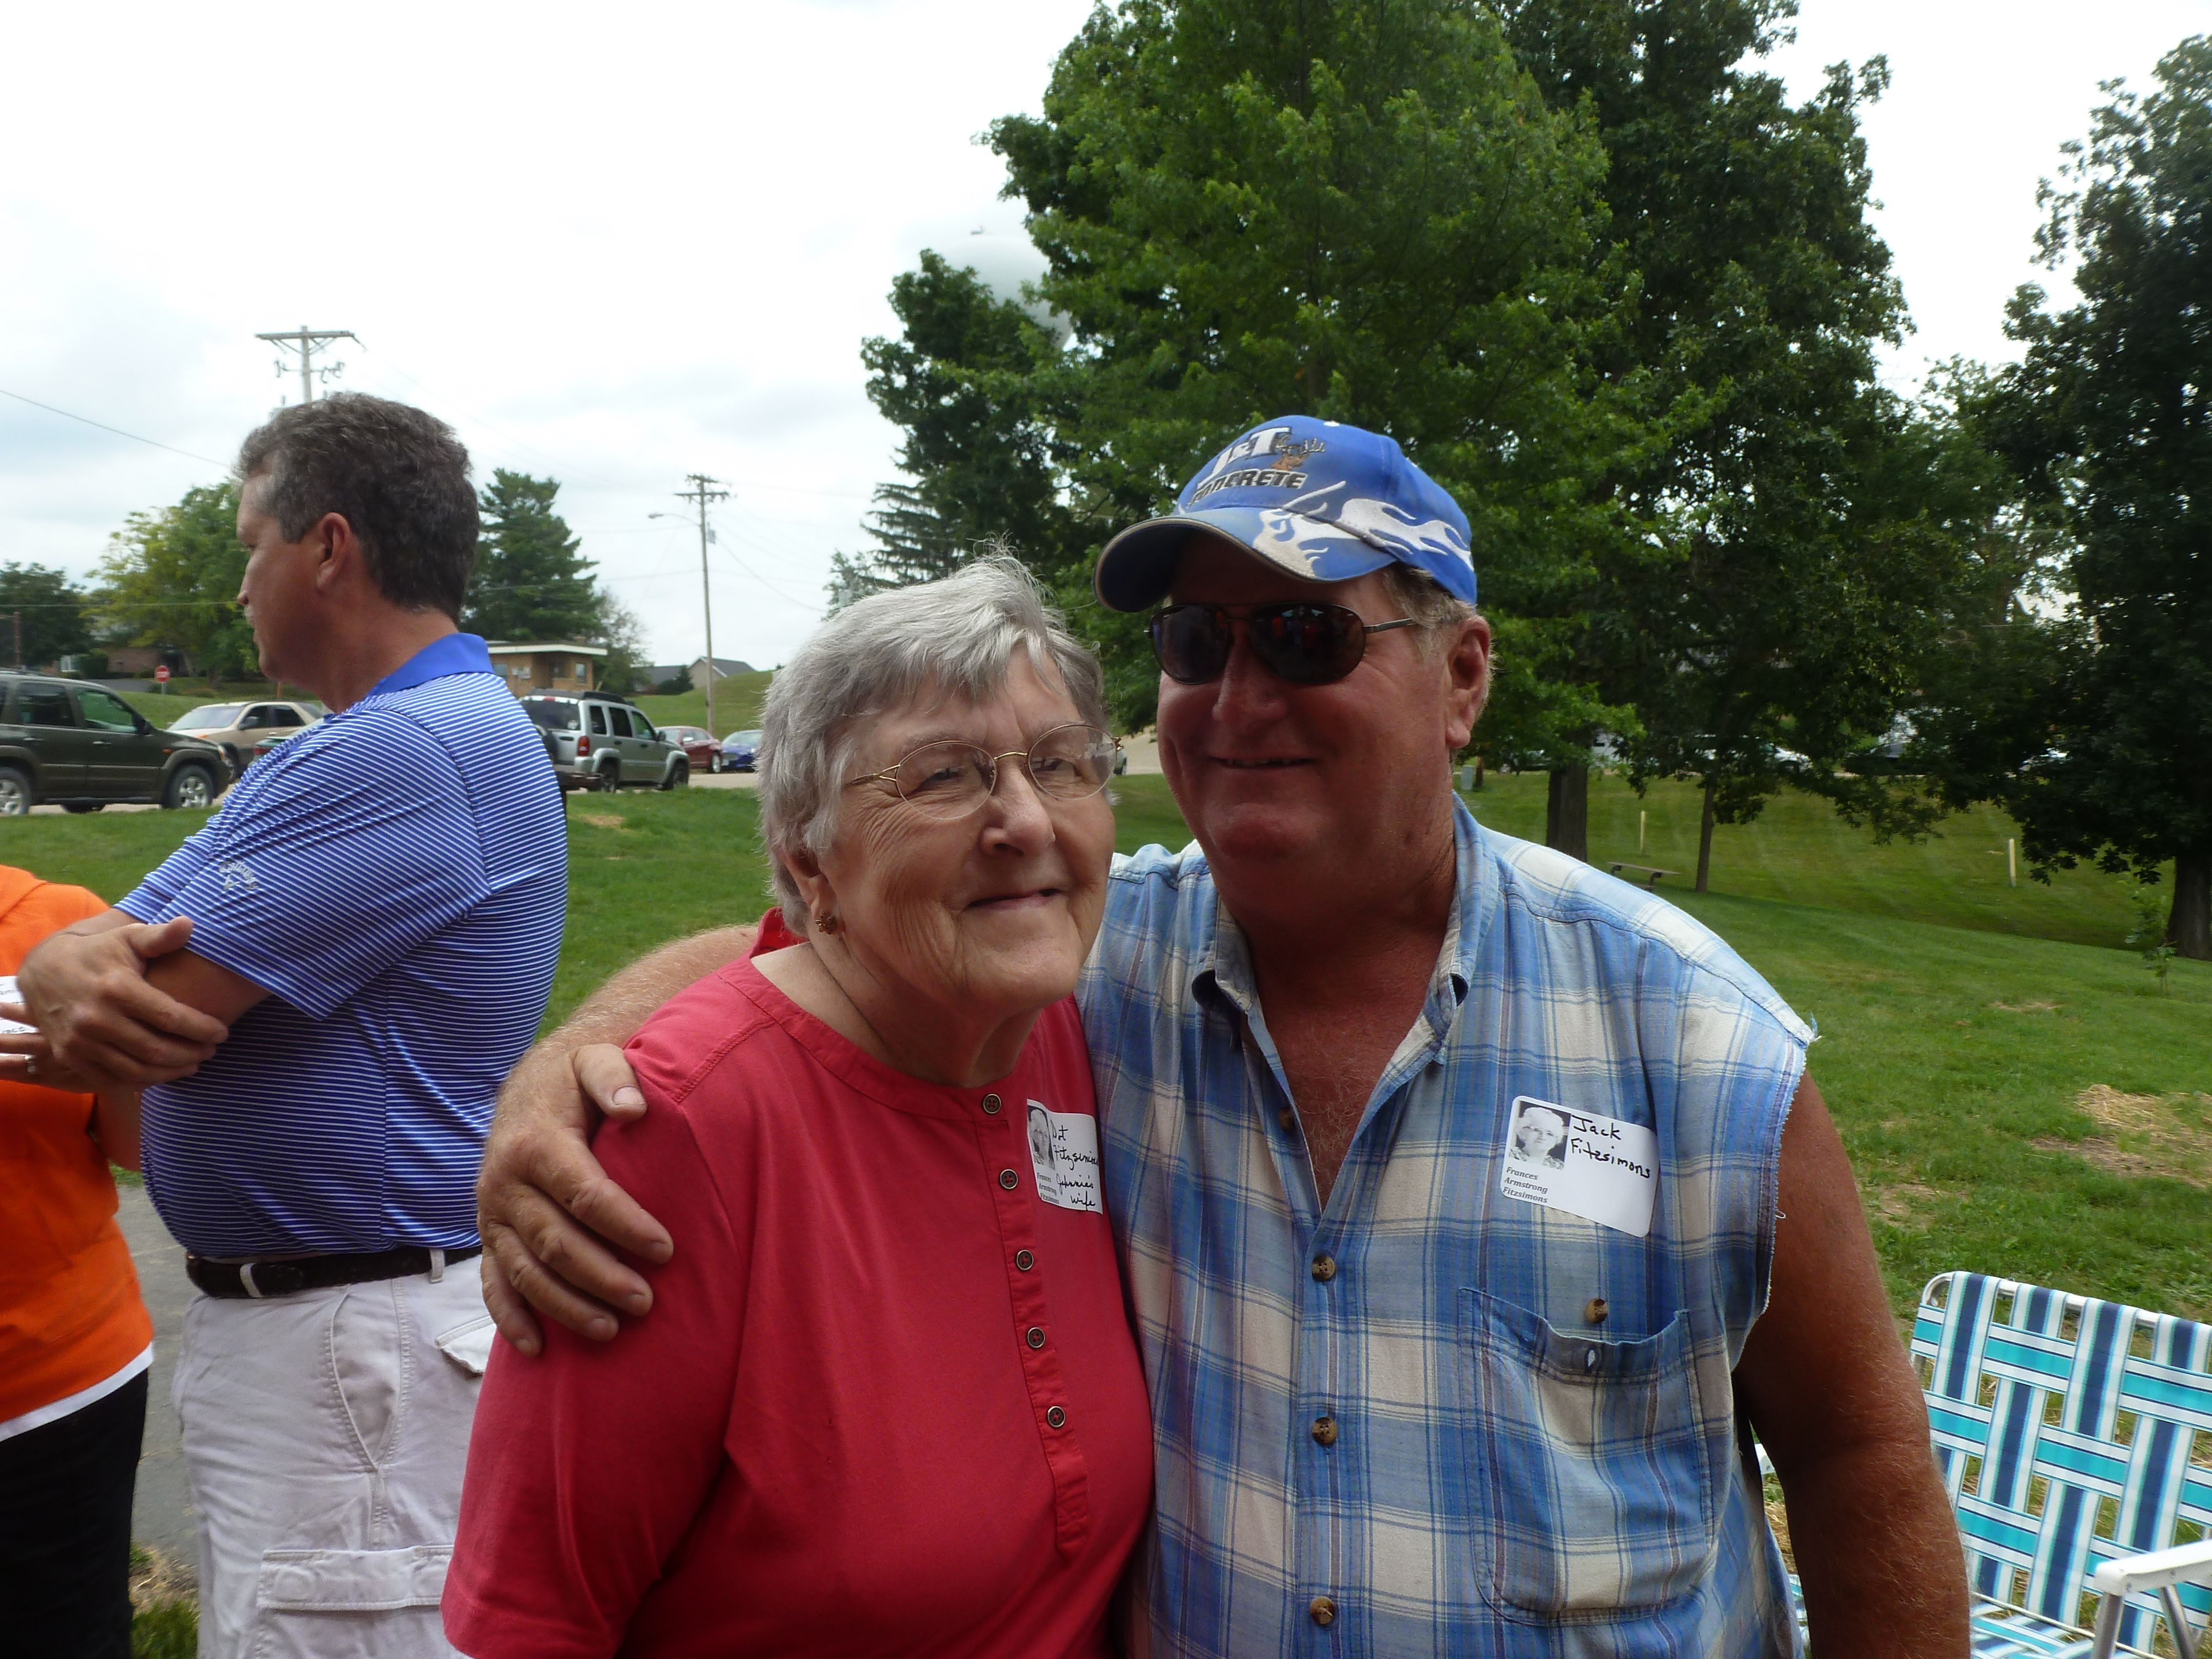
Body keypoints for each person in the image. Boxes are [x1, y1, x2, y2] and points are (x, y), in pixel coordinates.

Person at [475, 417, 1968, 1655]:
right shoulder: (1086, 966)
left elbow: (1860, 1455)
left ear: (1462, 678)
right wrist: (569, 1070)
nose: (1240, 699)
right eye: (1201, 641)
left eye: (1308, 635)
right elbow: (846, 945)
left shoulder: (1690, 1039)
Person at [442, 560, 1152, 1657]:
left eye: (1060, 764)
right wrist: (585, 1049)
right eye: (943, 778)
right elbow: (536, 1620)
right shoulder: (674, 1142)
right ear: (809, 863)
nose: (1023, 820)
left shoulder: (1065, 1019)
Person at [8, 394, 566, 1659]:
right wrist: (51, 957)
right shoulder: (376, 741)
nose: (238, 585)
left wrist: (61, 969)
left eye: (249, 546)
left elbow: (122, 1002)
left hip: (348, 1351)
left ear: (328, 547)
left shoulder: (406, 749)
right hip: (341, 1337)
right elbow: (89, 954)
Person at [0, 863, 153, 1659]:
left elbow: (131, 1144)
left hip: (55, 1387)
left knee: (67, 1635)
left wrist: (115, 1068)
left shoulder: (62, 924)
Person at [1510, 1102, 1568, 1166]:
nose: (1543, 1137)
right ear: (1524, 1132)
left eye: (1550, 1134)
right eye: (1537, 1130)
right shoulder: (1510, 1154)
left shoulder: (1559, 1166)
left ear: (1556, 1140)